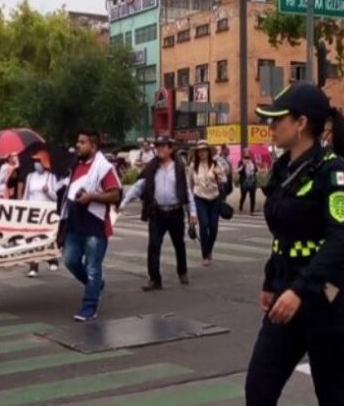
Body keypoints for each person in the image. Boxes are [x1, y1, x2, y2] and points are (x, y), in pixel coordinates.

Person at [217, 83, 344, 406]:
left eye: (276, 120)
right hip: (286, 297)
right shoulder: (284, 168)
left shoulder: (333, 171)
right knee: (259, 388)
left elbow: (337, 242)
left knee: (334, 399)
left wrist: (298, 290)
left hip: (326, 303)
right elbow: (285, 236)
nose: (270, 127)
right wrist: (271, 280)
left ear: (301, 123)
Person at [60, 129, 122, 322]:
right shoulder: (75, 166)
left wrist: (91, 197)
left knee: (93, 267)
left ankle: (89, 306)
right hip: (75, 225)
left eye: (82, 142)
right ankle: (95, 286)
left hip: (94, 226)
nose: (78, 145)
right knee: (70, 260)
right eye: (78, 141)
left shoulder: (103, 167)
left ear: (93, 146)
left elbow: (115, 194)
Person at [120, 135, 190, 291]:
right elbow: (138, 187)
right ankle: (154, 279)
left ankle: (182, 270)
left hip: (175, 211)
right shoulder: (152, 167)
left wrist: (192, 213)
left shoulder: (179, 168)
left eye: (163, 146)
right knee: (154, 245)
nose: (160, 149)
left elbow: (187, 191)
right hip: (157, 212)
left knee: (179, 244)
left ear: (170, 149)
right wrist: (124, 203)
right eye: (158, 146)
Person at [22, 151, 60, 277]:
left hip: (47, 214)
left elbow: (56, 197)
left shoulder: (51, 177)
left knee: (47, 238)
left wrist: (48, 191)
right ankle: (33, 266)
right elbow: (26, 195)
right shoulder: (30, 176)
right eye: (35, 161)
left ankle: (52, 259)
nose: (36, 164)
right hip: (33, 212)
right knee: (32, 239)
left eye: (38, 161)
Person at [189, 141, 227, 267]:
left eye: (204, 150)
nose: (202, 153)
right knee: (204, 224)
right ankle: (205, 255)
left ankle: (209, 249)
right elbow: (190, 185)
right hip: (199, 197)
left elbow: (224, 180)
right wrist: (190, 207)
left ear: (208, 152)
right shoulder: (193, 166)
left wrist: (219, 175)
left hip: (214, 198)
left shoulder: (215, 164)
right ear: (197, 153)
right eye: (200, 151)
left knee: (214, 226)